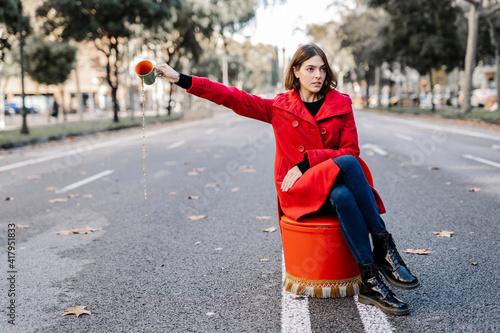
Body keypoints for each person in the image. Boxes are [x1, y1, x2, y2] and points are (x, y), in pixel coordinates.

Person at [156, 44, 419, 316]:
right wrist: (180, 79)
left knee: (342, 191)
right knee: (349, 169)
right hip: (299, 191)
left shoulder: (341, 104)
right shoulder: (279, 107)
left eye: (322, 68)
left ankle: (370, 281)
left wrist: (308, 162)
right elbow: (230, 96)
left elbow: (350, 151)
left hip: (330, 185)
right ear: (296, 71)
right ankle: (384, 249)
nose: (318, 75)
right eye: (310, 69)